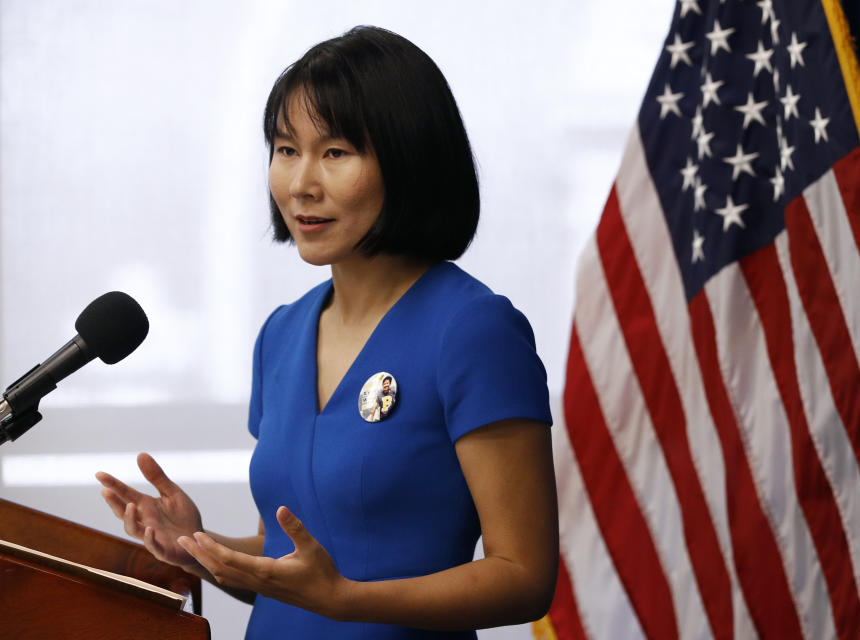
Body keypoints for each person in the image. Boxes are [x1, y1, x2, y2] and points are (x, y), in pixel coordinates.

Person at [95, 25, 557, 639]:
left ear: (410, 159)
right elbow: (291, 558)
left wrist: (347, 601)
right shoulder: (282, 334)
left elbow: (524, 576)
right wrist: (199, 546)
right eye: (286, 150)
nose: (300, 184)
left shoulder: (474, 330)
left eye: (335, 152)